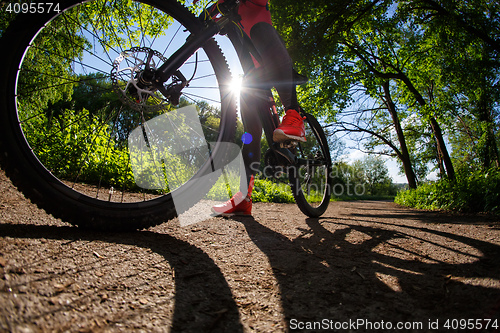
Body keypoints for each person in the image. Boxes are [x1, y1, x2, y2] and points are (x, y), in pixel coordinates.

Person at [211, 0, 305, 216]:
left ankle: (294, 114)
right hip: (252, 79)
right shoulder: (224, 9)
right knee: (250, 135)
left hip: (274, 62)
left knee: (261, 30)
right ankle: (243, 197)